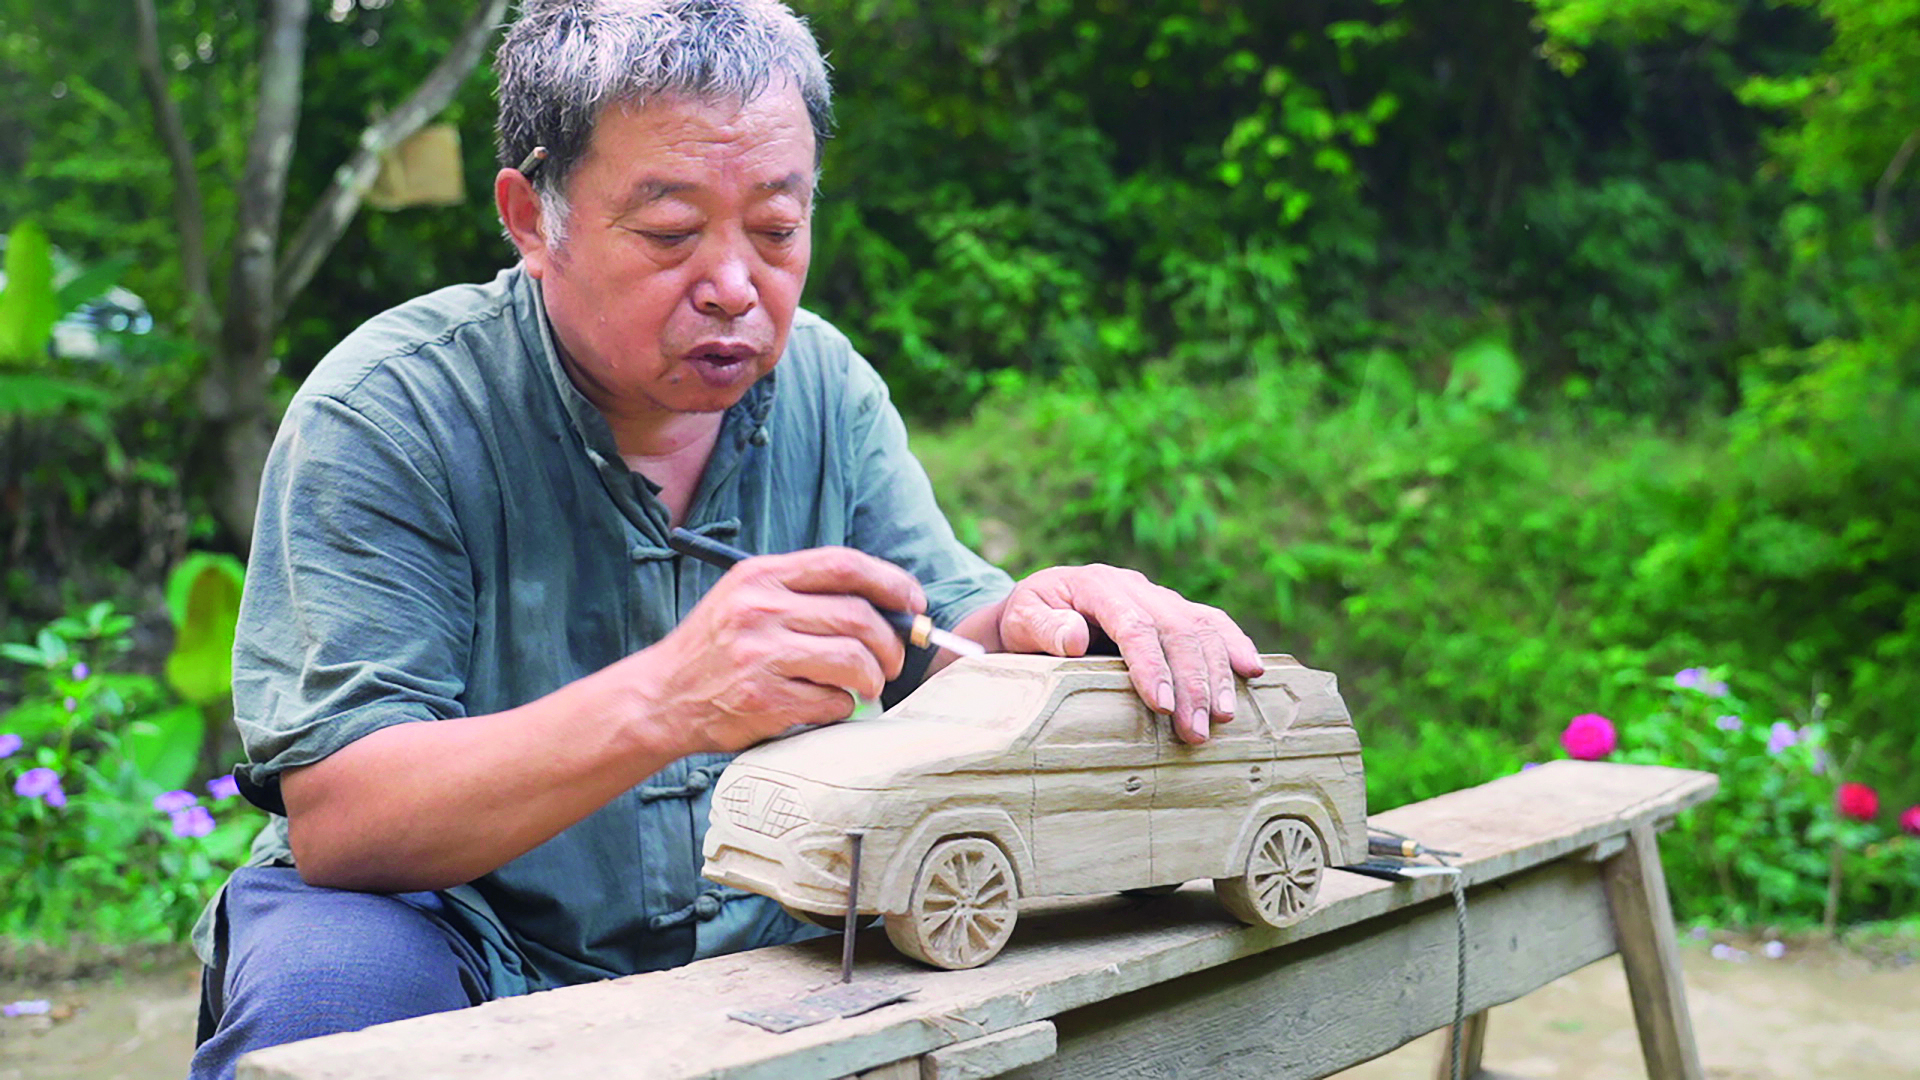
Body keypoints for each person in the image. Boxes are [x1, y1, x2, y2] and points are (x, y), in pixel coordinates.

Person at [187, 1, 1263, 1076]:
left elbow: (943, 628)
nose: (737, 286)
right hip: (450, 922)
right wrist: (668, 698)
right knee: (331, 1004)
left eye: (778, 229)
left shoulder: (825, 386)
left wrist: (1050, 610)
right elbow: (344, 815)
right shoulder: (392, 412)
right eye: (668, 232)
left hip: (761, 924)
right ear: (531, 214)